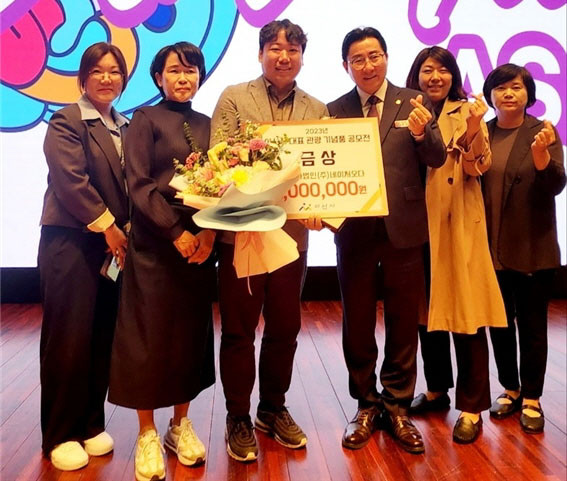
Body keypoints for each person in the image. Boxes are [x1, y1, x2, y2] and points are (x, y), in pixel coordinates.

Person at [210, 19, 328, 462]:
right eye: (275, 48)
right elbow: (219, 160)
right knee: (239, 331)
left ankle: (272, 408)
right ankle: (237, 416)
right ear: (260, 53)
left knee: (285, 329)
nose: (284, 56)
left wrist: (323, 208)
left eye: (293, 49)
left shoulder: (317, 109)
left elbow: (323, 174)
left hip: (292, 239)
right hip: (242, 237)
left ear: (302, 57)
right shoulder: (234, 97)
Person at [327, 28, 446, 454]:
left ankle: (397, 405)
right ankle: (365, 404)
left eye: (374, 56)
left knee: (402, 321)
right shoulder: (333, 111)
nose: (368, 65)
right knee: (357, 321)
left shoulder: (414, 101)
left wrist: (422, 133)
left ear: (387, 57)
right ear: (346, 66)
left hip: (404, 228)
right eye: (358, 59)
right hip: (354, 232)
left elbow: (436, 157)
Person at [108, 42, 216, 481]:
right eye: (174, 70)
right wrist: (176, 233)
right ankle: (147, 433)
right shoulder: (145, 119)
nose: (183, 78)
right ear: (158, 77)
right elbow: (139, 185)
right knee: (147, 338)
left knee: (189, 336)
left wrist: (210, 233)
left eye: (191, 71)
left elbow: (225, 185)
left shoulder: (208, 124)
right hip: (155, 244)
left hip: (199, 244)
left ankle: (179, 425)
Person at [406, 46, 507, 443]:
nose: (435, 77)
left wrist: (473, 128)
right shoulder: (405, 110)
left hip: (456, 223)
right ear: (416, 75)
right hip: (415, 226)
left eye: (443, 70)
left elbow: (477, 165)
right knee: (425, 312)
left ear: (453, 75)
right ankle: (437, 389)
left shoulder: (468, 111)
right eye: (427, 69)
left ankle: (471, 406)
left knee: (466, 313)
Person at [38, 42, 129, 471]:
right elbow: (71, 181)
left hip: (112, 249)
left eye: (114, 71)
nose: (107, 78)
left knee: (100, 336)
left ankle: (91, 423)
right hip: (71, 243)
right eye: (98, 71)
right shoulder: (67, 120)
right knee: (68, 339)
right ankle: (60, 433)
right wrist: (109, 225)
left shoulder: (125, 125)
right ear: (83, 76)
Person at [482, 64, 566, 434]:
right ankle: (510, 388)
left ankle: (532, 396)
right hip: (490, 248)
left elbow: (556, 184)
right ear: (491, 94)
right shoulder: (482, 132)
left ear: (528, 94)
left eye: (516, 87)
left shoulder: (543, 132)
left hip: (532, 246)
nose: (508, 94)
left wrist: (542, 157)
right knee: (500, 324)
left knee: (532, 326)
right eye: (501, 88)